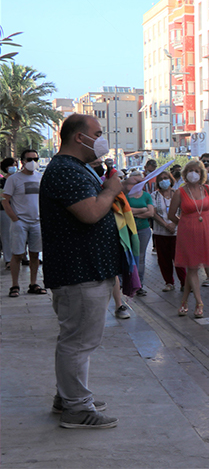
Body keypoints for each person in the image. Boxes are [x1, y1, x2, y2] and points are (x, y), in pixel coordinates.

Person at [39, 114, 124, 428]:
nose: (102, 139)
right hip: (80, 271)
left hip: (84, 269)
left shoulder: (73, 168)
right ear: (79, 137)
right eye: (98, 134)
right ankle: (77, 408)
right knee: (78, 342)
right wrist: (111, 190)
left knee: (76, 339)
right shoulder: (65, 170)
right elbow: (89, 213)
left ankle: (69, 397)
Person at [168, 160, 209, 319]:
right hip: (188, 233)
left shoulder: (207, 189)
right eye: (190, 170)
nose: (193, 174)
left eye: (197, 171)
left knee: (193, 269)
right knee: (192, 267)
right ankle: (199, 303)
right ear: (185, 174)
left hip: (206, 231)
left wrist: (203, 221)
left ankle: (184, 302)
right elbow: (171, 214)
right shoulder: (180, 192)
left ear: (201, 173)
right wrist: (185, 223)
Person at [3, 149, 45, 297]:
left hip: (37, 222)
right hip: (20, 222)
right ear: (23, 161)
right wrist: (14, 218)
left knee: (35, 254)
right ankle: (14, 285)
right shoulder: (14, 179)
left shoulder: (40, 177)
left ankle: (33, 284)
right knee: (17, 254)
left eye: (35, 159)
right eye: (29, 159)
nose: (33, 162)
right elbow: (5, 200)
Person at [151, 170, 187, 292]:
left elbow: (184, 210)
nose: (163, 181)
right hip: (160, 232)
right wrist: (166, 225)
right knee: (163, 260)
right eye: (161, 179)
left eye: (166, 178)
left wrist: (174, 223)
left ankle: (184, 283)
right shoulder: (154, 195)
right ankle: (169, 282)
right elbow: (153, 213)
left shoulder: (178, 193)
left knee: (179, 258)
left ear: (171, 180)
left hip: (177, 232)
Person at [122, 173, 154, 297]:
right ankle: (129, 282)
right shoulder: (126, 196)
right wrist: (143, 210)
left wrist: (133, 213)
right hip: (129, 230)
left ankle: (139, 284)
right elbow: (125, 211)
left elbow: (151, 213)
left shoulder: (146, 195)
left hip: (143, 230)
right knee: (129, 256)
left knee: (141, 257)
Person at [0, 157, 18, 271]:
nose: (15, 167)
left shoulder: (18, 179)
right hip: (4, 210)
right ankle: (8, 259)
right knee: (6, 235)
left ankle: (22, 257)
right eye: (13, 165)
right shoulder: (2, 182)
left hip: (18, 210)